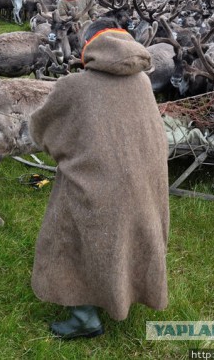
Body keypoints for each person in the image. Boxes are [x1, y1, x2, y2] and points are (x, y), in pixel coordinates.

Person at [28, 17, 170, 340]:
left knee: (66, 226)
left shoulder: (74, 86)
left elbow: (41, 131)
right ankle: (122, 293)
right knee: (121, 227)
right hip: (148, 186)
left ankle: (84, 315)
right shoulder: (143, 82)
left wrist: (66, 152)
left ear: (89, 46)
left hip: (102, 191)